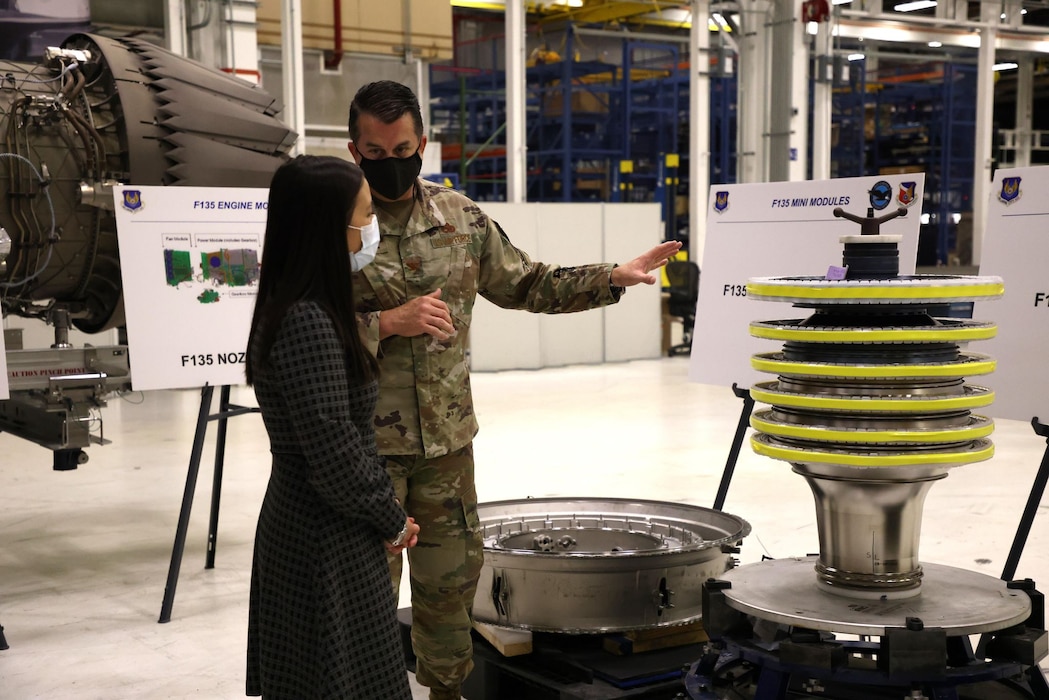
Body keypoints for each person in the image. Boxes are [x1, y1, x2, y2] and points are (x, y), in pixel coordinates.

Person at [346, 80, 682, 700]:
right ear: (354, 149)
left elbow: (529, 283)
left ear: (422, 143)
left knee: (448, 598)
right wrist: (384, 323)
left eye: (402, 148)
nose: (390, 162)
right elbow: (299, 325)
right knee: (361, 605)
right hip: (366, 456)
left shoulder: (459, 217)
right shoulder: (336, 226)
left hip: (447, 453)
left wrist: (613, 276)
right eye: (375, 151)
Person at [244, 154, 421, 699]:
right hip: (323, 539)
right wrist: (391, 518)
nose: (372, 228)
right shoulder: (307, 322)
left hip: (325, 526)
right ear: (328, 227)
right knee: (334, 680)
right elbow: (335, 452)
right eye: (364, 215)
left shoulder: (306, 307)